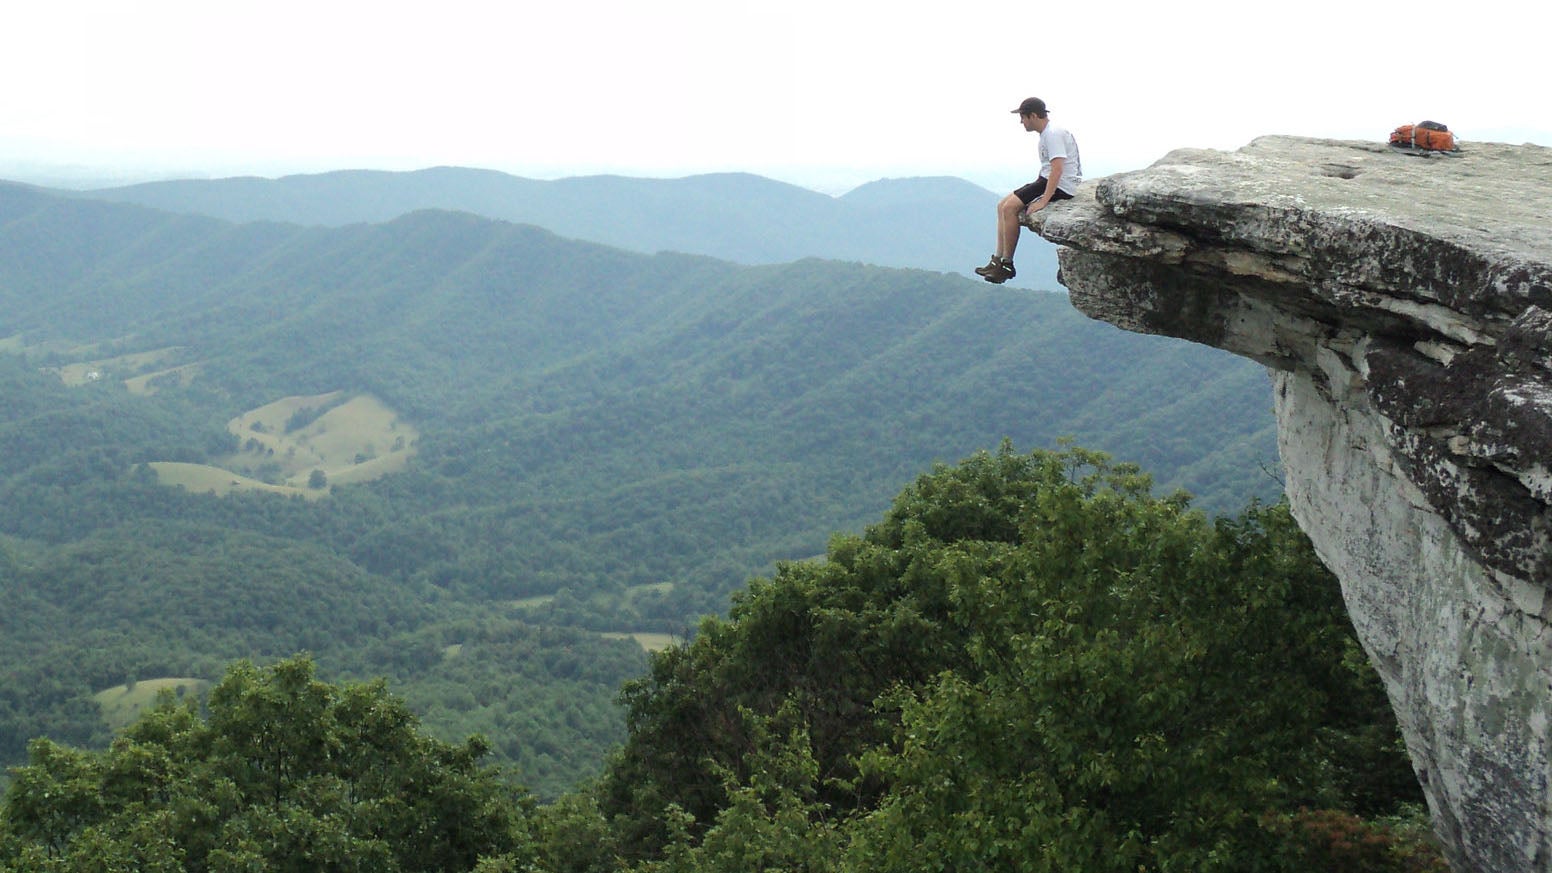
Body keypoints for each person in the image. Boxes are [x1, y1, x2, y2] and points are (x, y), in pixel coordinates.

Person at [975, 97, 1082, 284]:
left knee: (1010, 209)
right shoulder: (1048, 134)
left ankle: (1007, 265)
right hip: (1046, 180)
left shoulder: (1053, 134)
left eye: (1023, 117)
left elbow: (1057, 169)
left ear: (1033, 115)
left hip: (1061, 186)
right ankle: (997, 260)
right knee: (1002, 205)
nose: (1021, 122)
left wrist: (1044, 200)